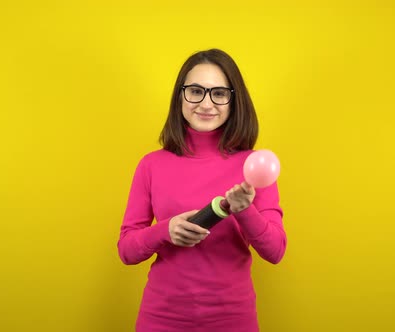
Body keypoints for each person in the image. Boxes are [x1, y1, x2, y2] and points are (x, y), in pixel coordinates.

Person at [117, 48, 287, 332]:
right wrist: (165, 230)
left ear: (234, 100)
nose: (206, 104)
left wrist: (245, 210)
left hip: (233, 319)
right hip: (161, 318)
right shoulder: (151, 165)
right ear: (180, 96)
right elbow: (127, 251)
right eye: (195, 91)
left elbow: (275, 251)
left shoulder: (253, 167)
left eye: (219, 93)